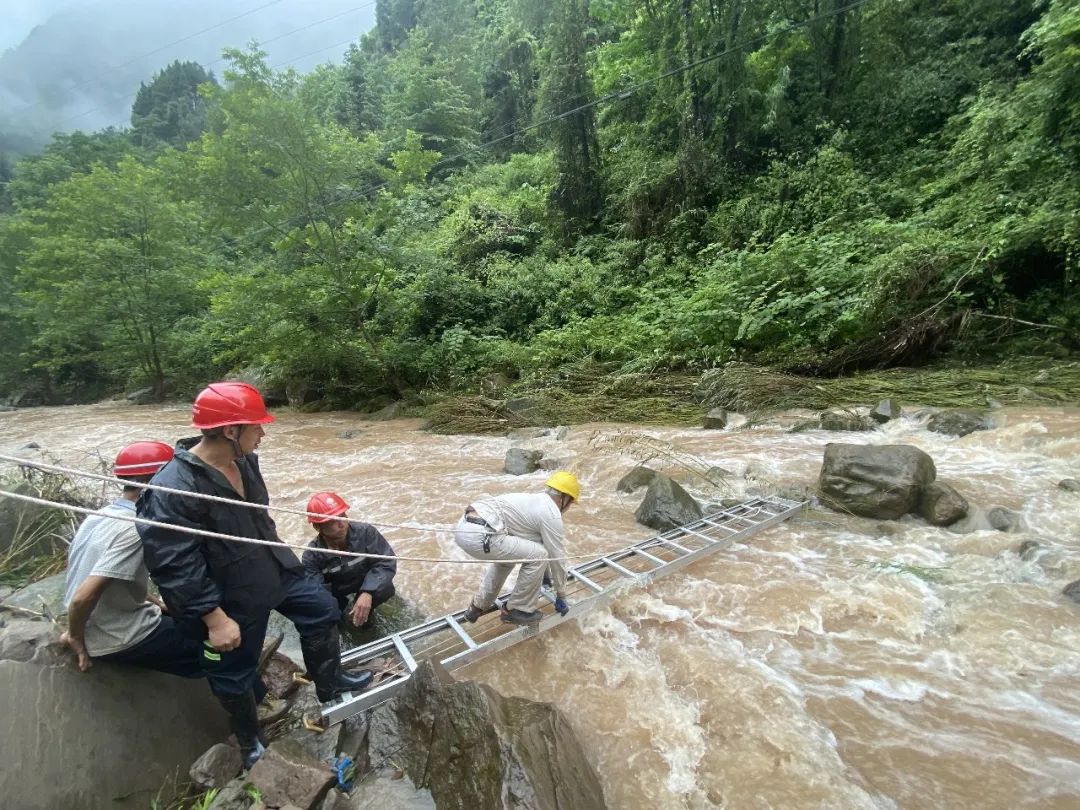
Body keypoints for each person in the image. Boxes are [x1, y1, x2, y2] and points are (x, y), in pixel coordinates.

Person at [136, 381, 372, 769]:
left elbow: (259, 519)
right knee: (232, 670)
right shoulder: (172, 489)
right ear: (231, 430)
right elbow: (173, 563)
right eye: (256, 427)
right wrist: (214, 618)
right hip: (227, 591)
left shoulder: (244, 460)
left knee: (321, 608)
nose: (263, 433)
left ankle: (330, 684)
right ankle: (250, 743)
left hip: (271, 565)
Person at [61, 441, 203, 677]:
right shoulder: (136, 529)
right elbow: (83, 596)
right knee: (216, 646)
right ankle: (259, 702)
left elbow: (113, 577)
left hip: (100, 622)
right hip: (116, 635)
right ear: (155, 481)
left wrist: (157, 604)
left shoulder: (101, 515)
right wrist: (74, 637)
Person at [453, 471, 579, 625]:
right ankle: (517, 610)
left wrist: (545, 578)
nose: (569, 507)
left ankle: (477, 606)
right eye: (571, 503)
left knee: (508, 559)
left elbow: (538, 543)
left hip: (464, 527)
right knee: (539, 555)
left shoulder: (533, 501)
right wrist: (561, 594)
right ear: (564, 498)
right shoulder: (552, 514)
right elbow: (556, 557)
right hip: (482, 534)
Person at [302, 491, 397, 627]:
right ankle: (342, 617)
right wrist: (332, 610)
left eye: (342, 515)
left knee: (385, 587)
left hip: (362, 582)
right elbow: (316, 592)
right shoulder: (312, 556)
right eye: (334, 521)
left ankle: (365, 610)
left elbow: (386, 561)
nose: (342, 523)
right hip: (337, 592)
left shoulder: (365, 532)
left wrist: (367, 592)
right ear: (318, 527)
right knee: (323, 613)